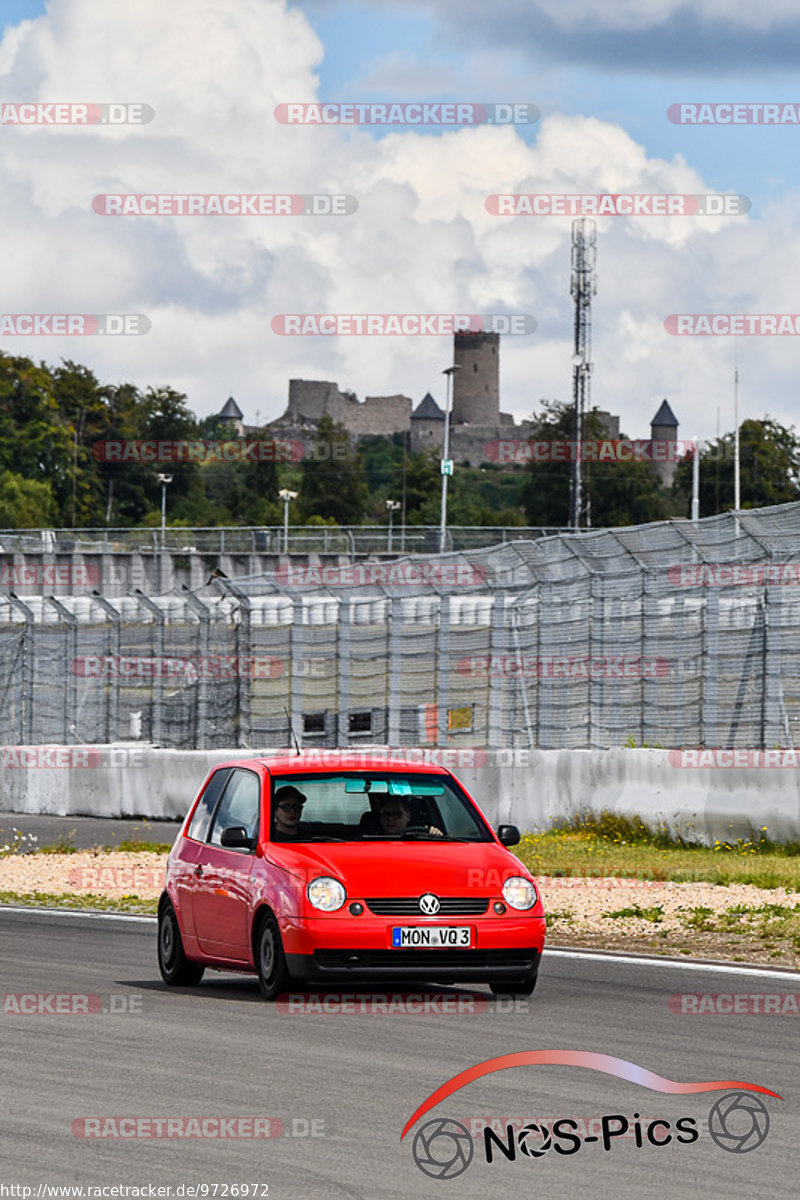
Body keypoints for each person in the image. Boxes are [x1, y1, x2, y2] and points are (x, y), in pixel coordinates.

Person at [375, 795, 443, 837]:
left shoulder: (420, 840)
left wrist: (435, 835)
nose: (390, 818)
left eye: (397, 814)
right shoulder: (369, 842)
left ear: (408, 816)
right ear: (380, 817)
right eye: (386, 814)